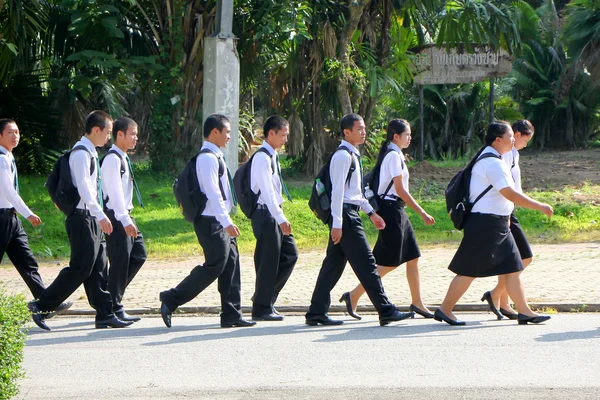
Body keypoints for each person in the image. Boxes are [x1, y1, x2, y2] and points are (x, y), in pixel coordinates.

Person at [434, 121, 554, 326]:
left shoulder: (495, 159)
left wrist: (507, 218)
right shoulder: (492, 163)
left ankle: (524, 312)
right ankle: (445, 310)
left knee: (513, 267)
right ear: (498, 140)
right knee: (469, 270)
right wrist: (539, 206)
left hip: (496, 223)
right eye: (510, 136)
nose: (514, 140)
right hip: (485, 224)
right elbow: (509, 193)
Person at [305, 113, 414, 326]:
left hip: (349, 213)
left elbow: (355, 193)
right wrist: (337, 225)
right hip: (345, 218)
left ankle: (316, 311)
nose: (363, 132)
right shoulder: (343, 156)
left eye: (364, 128)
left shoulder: (353, 155)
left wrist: (371, 213)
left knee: (333, 265)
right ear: (347, 132)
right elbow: (337, 193)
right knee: (367, 264)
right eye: (359, 129)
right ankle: (385, 309)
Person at [28, 111, 132, 331]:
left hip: (91, 217)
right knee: (80, 268)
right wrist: (101, 215)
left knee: (98, 267)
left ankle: (105, 314)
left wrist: (98, 216)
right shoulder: (81, 154)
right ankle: (42, 306)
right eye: (107, 132)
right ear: (96, 130)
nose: (108, 137)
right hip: (82, 218)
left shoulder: (91, 153)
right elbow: (85, 189)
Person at [159, 114, 255, 329]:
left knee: (231, 265)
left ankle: (232, 314)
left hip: (219, 219)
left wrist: (226, 219)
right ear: (215, 132)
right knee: (215, 265)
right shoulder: (207, 158)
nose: (230, 136)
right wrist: (226, 221)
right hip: (211, 221)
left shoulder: (216, 156)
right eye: (227, 132)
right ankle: (171, 298)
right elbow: (213, 193)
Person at [340, 119, 435, 320]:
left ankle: (417, 302)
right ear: (396, 136)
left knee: (413, 257)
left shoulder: (395, 154)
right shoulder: (393, 156)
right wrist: (422, 213)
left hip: (396, 209)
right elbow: (400, 189)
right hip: (391, 210)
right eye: (407, 134)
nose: (410, 138)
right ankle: (354, 295)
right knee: (390, 261)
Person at [0, 119, 72, 317]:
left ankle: (46, 302)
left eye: (17, 132)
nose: (15, 136)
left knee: (27, 262)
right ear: (0, 136)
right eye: (10, 133)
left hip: (11, 219)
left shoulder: (8, 157)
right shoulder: (0, 159)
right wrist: (28, 213)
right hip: (2, 218)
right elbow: (9, 192)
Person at [481, 120, 536, 320]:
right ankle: (498, 296)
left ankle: (502, 301)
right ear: (518, 134)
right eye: (525, 140)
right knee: (523, 257)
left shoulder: (513, 153)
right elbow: (503, 186)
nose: (523, 144)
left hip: (509, 209)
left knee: (514, 259)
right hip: (504, 211)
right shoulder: (503, 153)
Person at [249, 115, 298, 321]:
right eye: (283, 135)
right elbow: (267, 192)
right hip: (266, 213)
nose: (286, 139)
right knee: (268, 261)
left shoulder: (272, 156)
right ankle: (261, 307)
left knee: (289, 254)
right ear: (271, 133)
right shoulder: (261, 157)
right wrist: (280, 217)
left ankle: (265, 300)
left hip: (273, 211)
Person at [101, 117, 147, 323]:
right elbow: (114, 193)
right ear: (119, 135)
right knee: (120, 261)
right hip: (117, 215)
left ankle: (111, 296)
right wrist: (124, 219)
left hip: (125, 214)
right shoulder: (112, 159)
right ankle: (113, 306)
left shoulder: (122, 158)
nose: (136, 138)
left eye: (136, 134)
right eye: (132, 134)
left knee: (138, 254)